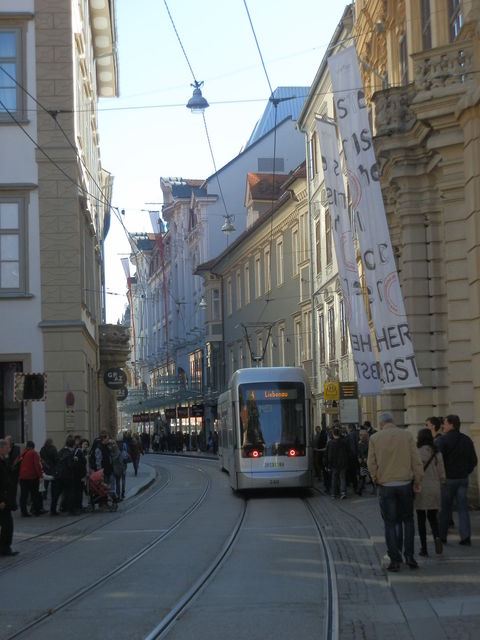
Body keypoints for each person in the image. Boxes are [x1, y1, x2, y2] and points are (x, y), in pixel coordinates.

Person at [367, 412, 424, 572]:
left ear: (381, 424)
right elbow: (416, 461)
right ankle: (410, 556)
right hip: (405, 483)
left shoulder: (375, 438)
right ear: (393, 422)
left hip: (386, 485)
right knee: (408, 521)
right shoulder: (406, 436)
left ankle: (395, 559)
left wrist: (375, 478)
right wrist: (418, 481)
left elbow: (371, 463)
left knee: (390, 523)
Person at [437, 414, 478, 546]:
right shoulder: (466, 440)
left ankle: (442, 536)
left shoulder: (442, 441)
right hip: (462, 478)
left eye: (445, 423)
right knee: (463, 508)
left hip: (448, 479)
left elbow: (437, 461)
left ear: (451, 425)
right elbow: (473, 460)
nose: (443, 426)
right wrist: (466, 471)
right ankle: (466, 537)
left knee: (445, 508)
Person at [415, 428, 445, 556]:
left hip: (421, 488)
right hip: (434, 487)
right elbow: (442, 474)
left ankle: (424, 548)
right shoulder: (437, 453)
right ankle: (437, 536)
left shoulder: (417, 453)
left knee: (421, 518)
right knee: (433, 517)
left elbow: (416, 472)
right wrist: (441, 483)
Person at [0, 439, 19, 556]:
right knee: (7, 524)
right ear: (1, 448)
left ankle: (5, 547)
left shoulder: (4, 460)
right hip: (2, 498)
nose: (9, 449)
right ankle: (4, 548)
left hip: (6, 497)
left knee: (7, 524)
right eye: (7, 447)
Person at [51, 435, 75, 516]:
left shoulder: (61, 451)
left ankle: (53, 510)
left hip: (58, 476)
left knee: (56, 494)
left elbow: (55, 461)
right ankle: (70, 509)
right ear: (72, 445)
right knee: (69, 493)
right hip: (67, 476)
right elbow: (70, 465)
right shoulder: (70, 453)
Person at [19, 441, 44, 517]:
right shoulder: (34, 453)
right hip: (32, 477)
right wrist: (40, 476)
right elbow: (37, 465)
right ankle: (36, 511)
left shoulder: (22, 453)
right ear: (33, 447)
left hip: (22, 477)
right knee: (35, 494)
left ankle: (23, 512)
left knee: (23, 495)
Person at [327, 427, 350, 499]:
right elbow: (348, 452)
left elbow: (329, 455)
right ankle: (343, 493)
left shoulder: (330, 443)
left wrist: (328, 465)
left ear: (333, 434)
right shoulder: (344, 442)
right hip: (343, 463)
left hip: (334, 464)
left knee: (334, 479)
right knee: (342, 478)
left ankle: (333, 494)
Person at [5, 435, 21, 511]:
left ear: (10, 441)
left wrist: (14, 466)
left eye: (7, 441)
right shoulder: (4, 448)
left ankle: (13, 505)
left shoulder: (17, 448)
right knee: (7, 490)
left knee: (13, 489)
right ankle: (9, 504)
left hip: (14, 472)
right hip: (6, 472)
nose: (6, 443)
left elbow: (18, 459)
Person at [356, 429, 372, 496]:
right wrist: (359, 457)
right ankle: (359, 490)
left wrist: (366, 457)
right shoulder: (359, 443)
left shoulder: (368, 443)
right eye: (360, 435)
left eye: (361, 435)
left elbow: (370, 451)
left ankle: (375, 489)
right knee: (362, 476)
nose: (360, 436)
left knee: (370, 476)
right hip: (363, 462)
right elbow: (358, 451)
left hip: (368, 462)